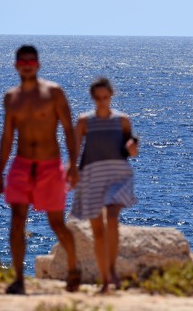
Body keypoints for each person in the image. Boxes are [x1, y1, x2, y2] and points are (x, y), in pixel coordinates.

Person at [0, 45, 81, 294]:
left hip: (49, 166)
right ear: (16, 66)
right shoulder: (12, 98)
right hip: (21, 165)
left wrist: (73, 165)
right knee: (17, 222)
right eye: (23, 61)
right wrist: (0, 172)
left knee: (56, 223)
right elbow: (7, 137)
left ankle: (74, 271)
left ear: (38, 64)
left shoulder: (53, 93)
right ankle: (19, 279)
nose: (27, 65)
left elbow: (68, 130)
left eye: (31, 61)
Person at [71, 77, 138, 293]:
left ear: (111, 96)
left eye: (105, 97)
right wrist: (71, 170)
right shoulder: (83, 121)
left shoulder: (122, 120)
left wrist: (132, 147)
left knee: (112, 218)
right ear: (93, 98)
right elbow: (75, 149)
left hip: (117, 175)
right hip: (91, 175)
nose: (102, 101)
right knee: (97, 231)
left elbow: (131, 151)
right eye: (98, 98)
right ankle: (105, 278)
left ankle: (112, 271)